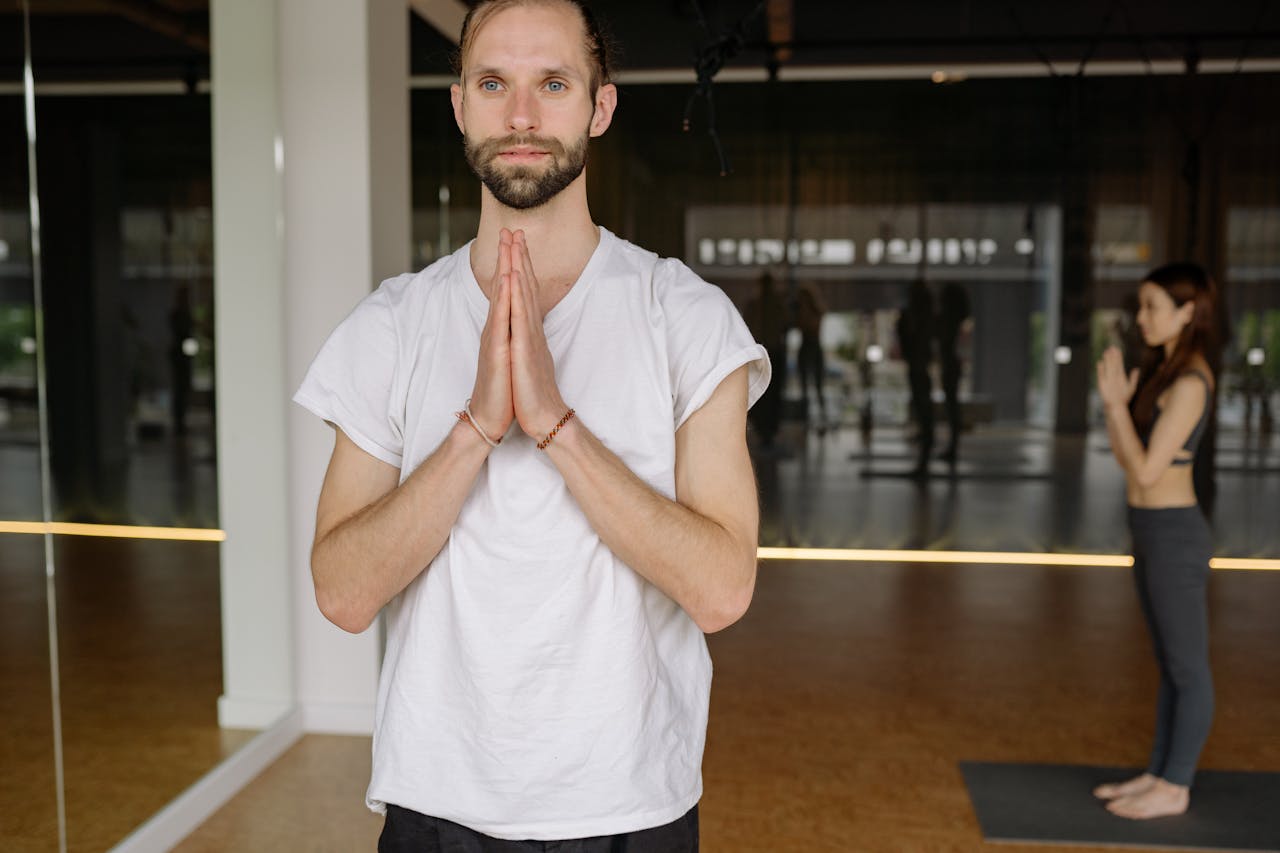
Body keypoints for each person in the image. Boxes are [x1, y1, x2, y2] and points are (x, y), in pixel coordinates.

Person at [292, 1, 771, 849]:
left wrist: (555, 425)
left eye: (552, 83)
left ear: (600, 106)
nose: (520, 116)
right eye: (492, 83)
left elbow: (723, 589)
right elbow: (342, 592)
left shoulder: (685, 317)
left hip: (630, 808)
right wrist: (477, 427)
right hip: (436, 803)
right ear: (459, 105)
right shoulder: (391, 325)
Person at [1093, 262, 1219, 820]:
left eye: (1153, 307)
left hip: (1175, 534)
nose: (1141, 318)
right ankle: (1159, 772)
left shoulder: (1191, 381)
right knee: (1169, 663)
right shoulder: (1163, 372)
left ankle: (1177, 784)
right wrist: (1117, 404)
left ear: (1187, 312)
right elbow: (1126, 460)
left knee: (1189, 667)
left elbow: (1147, 473)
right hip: (1146, 530)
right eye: (1140, 306)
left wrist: (1118, 406)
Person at [896, 279, 935, 477]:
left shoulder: (917, 317)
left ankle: (924, 459)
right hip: (919, 364)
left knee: (924, 409)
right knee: (923, 409)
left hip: (918, 365)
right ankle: (924, 456)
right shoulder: (923, 316)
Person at [935, 283, 969, 465]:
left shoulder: (949, 320)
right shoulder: (953, 319)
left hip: (950, 365)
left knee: (952, 408)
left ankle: (953, 447)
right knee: (952, 408)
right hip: (951, 364)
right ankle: (952, 446)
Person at [795, 283, 827, 433]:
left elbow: (812, 326)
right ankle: (806, 421)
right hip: (807, 348)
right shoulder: (801, 312)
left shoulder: (815, 312)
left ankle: (822, 420)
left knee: (818, 387)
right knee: (805, 388)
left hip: (813, 348)